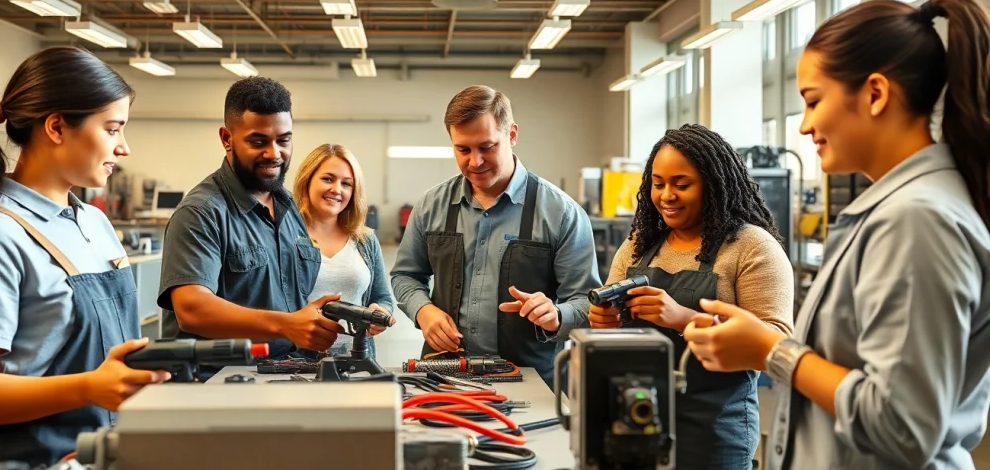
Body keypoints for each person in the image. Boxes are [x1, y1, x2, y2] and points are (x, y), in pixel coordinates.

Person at [683, 0, 990, 470]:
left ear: (875, 94)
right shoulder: (895, 211)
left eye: (813, 101)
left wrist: (771, 351)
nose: (804, 126)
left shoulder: (916, 220)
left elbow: (901, 425)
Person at [0, 47, 171, 470]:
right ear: (57, 127)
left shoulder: (95, 222)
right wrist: (89, 388)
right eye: (113, 129)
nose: (124, 147)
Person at [588, 123, 794, 469]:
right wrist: (606, 322)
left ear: (712, 186)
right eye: (658, 184)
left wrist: (684, 319)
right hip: (635, 421)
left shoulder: (751, 248)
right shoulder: (639, 246)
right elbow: (610, 330)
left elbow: (777, 347)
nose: (667, 195)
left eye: (681, 184)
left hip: (714, 432)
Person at [391, 85, 601, 386]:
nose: (474, 162)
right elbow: (405, 276)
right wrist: (423, 310)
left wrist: (556, 314)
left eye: (486, 146)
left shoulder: (561, 213)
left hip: (532, 381)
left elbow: (586, 302)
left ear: (512, 135)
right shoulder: (431, 205)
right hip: (444, 375)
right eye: (463, 149)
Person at [157, 77, 342, 360]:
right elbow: (192, 309)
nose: (274, 154)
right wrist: (287, 325)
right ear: (227, 138)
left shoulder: (286, 204)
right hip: (216, 385)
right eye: (258, 141)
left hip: (282, 374)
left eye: (284, 140)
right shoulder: (201, 213)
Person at [292, 143, 395, 357]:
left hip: (357, 360)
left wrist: (382, 312)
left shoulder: (365, 239)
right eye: (328, 179)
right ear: (307, 179)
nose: (337, 190)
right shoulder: (285, 236)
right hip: (296, 361)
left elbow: (382, 296)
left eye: (346, 183)